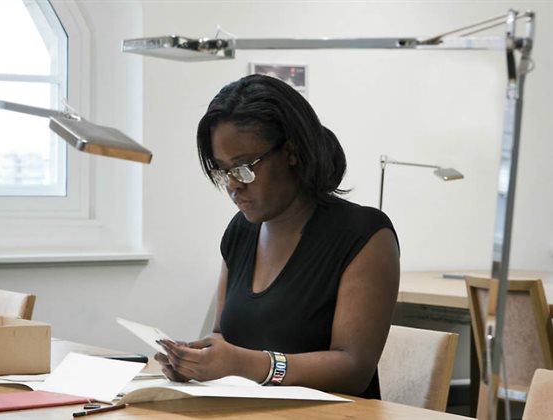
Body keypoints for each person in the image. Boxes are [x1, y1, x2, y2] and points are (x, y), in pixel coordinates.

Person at [155, 74, 400, 398]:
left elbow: (353, 369)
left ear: (292, 152)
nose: (232, 184)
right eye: (223, 170)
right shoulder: (240, 232)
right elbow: (223, 337)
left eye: (244, 167)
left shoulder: (364, 235)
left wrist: (245, 365)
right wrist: (194, 361)